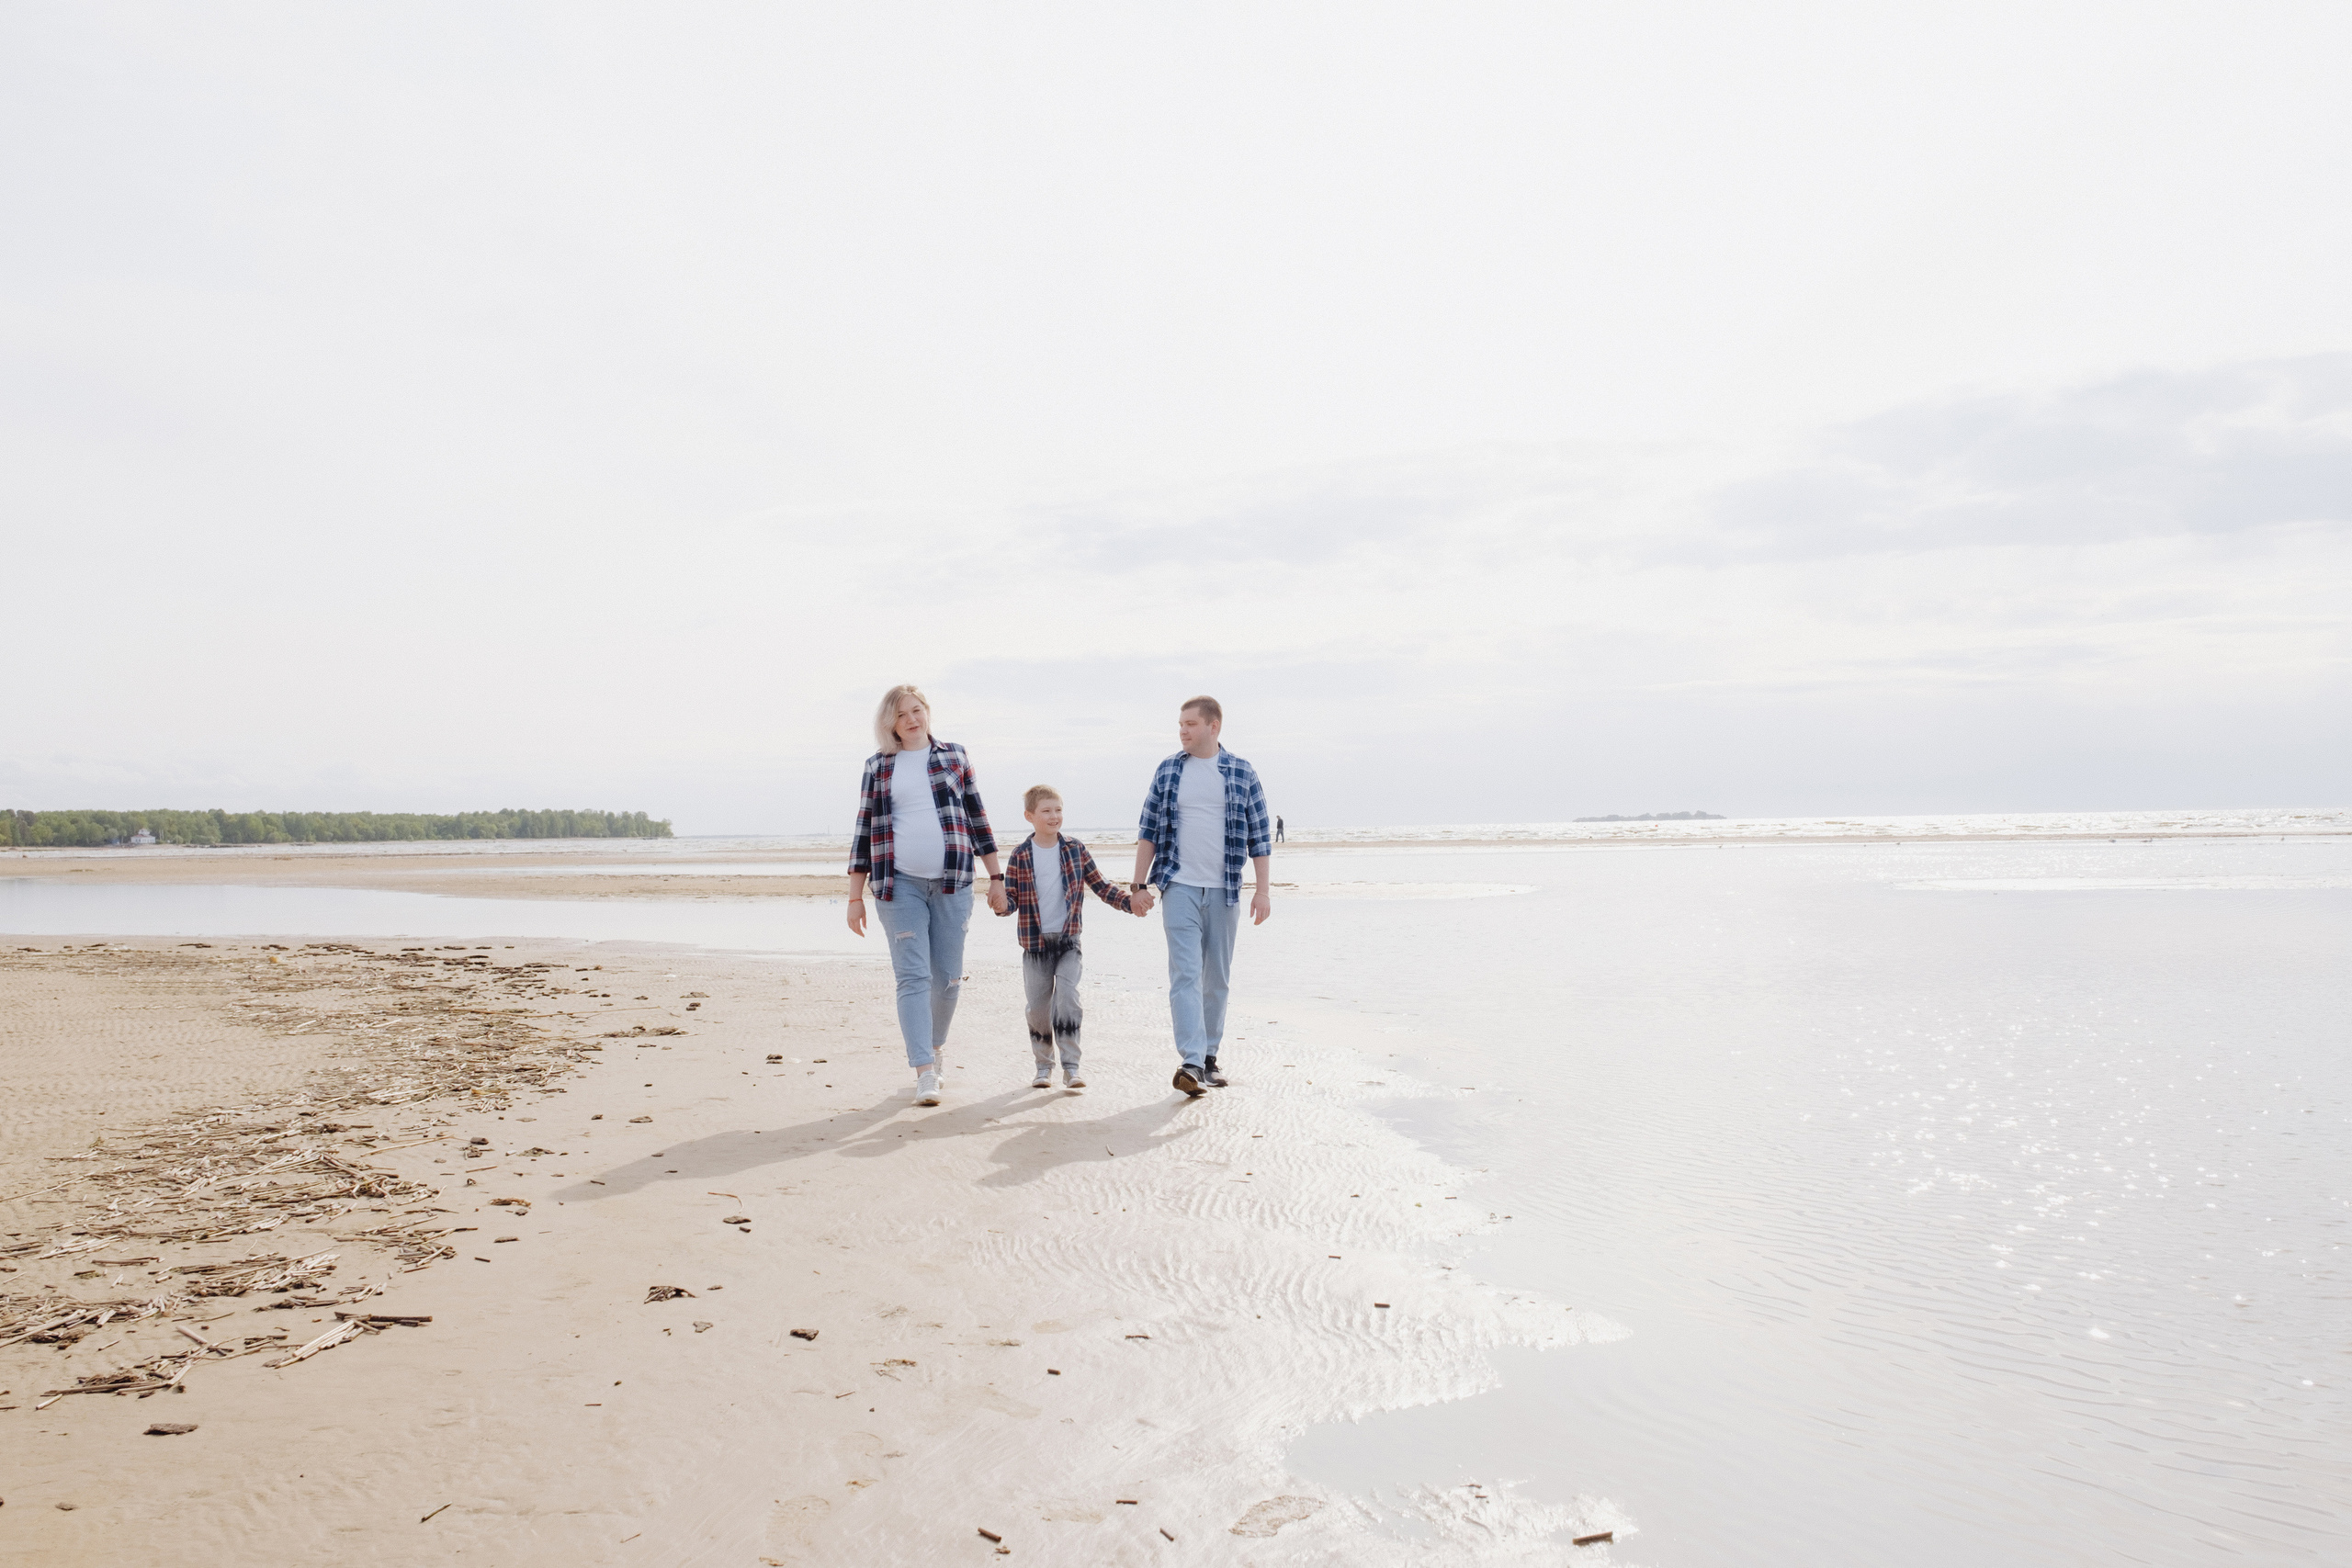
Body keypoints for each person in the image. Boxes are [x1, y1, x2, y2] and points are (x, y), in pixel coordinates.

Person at [847, 684, 1008, 1105]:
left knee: (949, 978)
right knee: (913, 977)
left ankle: (936, 1050)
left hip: (954, 881)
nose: (912, 720)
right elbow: (864, 830)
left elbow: (977, 816)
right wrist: (853, 897)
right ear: (891, 724)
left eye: (917, 710)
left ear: (927, 712)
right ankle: (923, 1070)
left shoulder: (954, 756)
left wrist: (997, 877)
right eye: (902, 715)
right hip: (898, 884)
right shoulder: (878, 766)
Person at [1129, 695, 1272, 1098]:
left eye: (1191, 724)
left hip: (1225, 889)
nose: (1183, 731)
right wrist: (1138, 886)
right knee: (1185, 974)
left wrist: (1262, 891)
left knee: (1217, 978)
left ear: (1214, 726)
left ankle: (1209, 1057)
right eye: (1180, 725)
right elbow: (1148, 830)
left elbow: (1260, 837)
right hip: (1179, 885)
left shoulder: (1241, 772)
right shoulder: (1169, 770)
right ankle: (1190, 1060)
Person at [993, 785, 1143, 1090]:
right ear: (1030, 816)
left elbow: (1100, 885)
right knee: (1037, 1008)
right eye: (1047, 811)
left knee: (1068, 997)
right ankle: (1043, 1067)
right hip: (1034, 945)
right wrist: (1000, 905)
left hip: (1068, 941)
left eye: (1058, 810)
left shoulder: (1075, 849)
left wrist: (1129, 902)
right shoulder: (1021, 855)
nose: (1054, 816)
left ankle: (1072, 1067)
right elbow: (1010, 899)